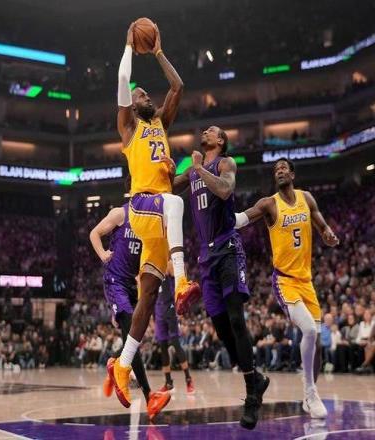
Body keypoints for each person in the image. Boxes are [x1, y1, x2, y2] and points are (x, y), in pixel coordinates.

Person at [107, 21, 201, 416]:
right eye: (139, 94)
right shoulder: (128, 127)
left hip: (160, 222)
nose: (144, 94)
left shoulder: (161, 124)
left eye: (146, 93)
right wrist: (130, 45)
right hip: (143, 206)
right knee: (174, 205)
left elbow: (178, 87)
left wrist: (159, 51)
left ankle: (123, 365)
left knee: (145, 299)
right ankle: (182, 282)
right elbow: (123, 79)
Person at [172, 126, 269, 429]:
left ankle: (251, 395)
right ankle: (257, 378)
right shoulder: (192, 171)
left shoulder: (225, 164)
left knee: (236, 319)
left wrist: (199, 168)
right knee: (221, 328)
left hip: (228, 248)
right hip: (205, 256)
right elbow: (168, 188)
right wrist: (163, 168)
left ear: (221, 141)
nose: (206, 131)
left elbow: (226, 190)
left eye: (212, 131)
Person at [234, 157, 339, 418]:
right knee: (309, 330)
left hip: (306, 281)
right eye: (276, 170)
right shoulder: (269, 203)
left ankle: (309, 395)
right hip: (284, 280)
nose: (279, 171)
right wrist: (219, 213)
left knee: (316, 341)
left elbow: (322, 225)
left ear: (292, 174)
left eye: (283, 168)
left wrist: (328, 234)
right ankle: (310, 393)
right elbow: (240, 219)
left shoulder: (307, 198)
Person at [89, 200, 168, 419]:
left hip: (132, 285)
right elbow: (94, 233)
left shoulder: (148, 222)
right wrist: (102, 253)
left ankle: (116, 364)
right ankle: (149, 396)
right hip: (115, 282)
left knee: (133, 338)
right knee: (133, 336)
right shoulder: (120, 213)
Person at [154, 261, 195, 394]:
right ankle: (168, 383)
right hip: (158, 310)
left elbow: (181, 269)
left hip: (170, 307)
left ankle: (188, 379)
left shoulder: (168, 263)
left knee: (176, 343)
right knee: (163, 347)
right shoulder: (150, 264)